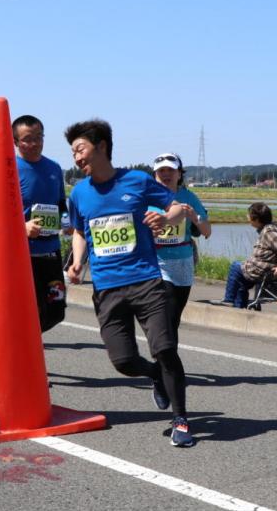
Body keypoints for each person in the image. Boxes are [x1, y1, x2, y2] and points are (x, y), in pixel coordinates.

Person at [64, 119, 194, 448]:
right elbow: (80, 231)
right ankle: (155, 376)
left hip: (146, 280)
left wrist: (165, 217)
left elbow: (178, 208)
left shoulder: (136, 180)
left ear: (101, 146)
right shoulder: (79, 193)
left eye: (80, 149)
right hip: (107, 287)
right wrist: (77, 261)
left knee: (165, 348)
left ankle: (180, 420)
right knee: (123, 362)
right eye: (73, 152)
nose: (76, 157)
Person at [14, 114, 70, 332]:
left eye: (39, 137)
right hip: (22, 254)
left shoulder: (54, 168)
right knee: (28, 308)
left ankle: (24, 341)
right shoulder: (9, 169)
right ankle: (23, 346)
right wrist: (22, 227)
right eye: (28, 139)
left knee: (56, 310)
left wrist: (66, 221)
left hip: (51, 252)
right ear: (15, 142)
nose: (35, 143)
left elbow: (60, 204)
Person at [149, 153, 211, 330]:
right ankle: (164, 348)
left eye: (171, 170)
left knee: (173, 319)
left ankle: (166, 347)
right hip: (156, 262)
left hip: (183, 263)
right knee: (165, 316)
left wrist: (194, 217)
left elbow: (207, 232)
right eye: (161, 170)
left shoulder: (189, 197)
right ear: (155, 174)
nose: (166, 174)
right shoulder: (147, 197)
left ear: (179, 174)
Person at [222, 203, 277, 309]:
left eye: (249, 215)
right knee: (241, 281)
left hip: (264, 271)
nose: (247, 217)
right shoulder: (271, 226)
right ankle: (239, 308)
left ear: (257, 219)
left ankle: (228, 301)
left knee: (235, 267)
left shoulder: (268, 232)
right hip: (263, 268)